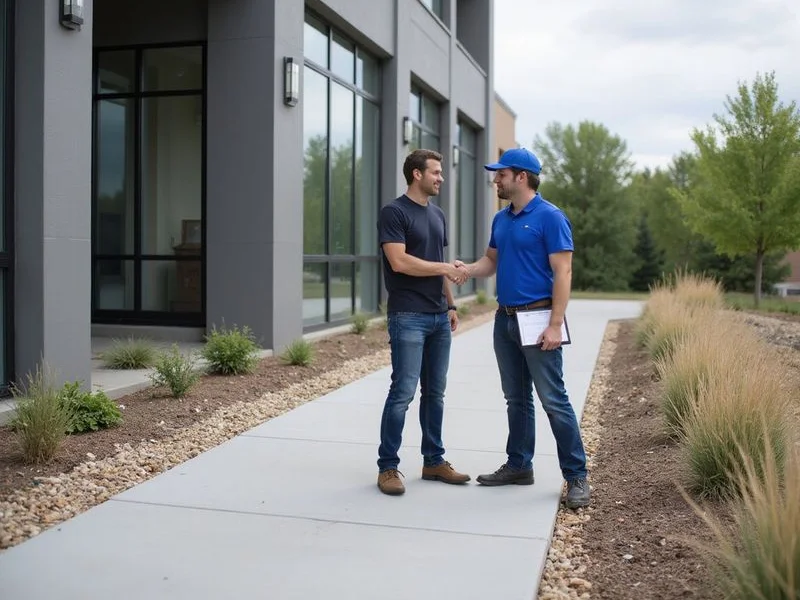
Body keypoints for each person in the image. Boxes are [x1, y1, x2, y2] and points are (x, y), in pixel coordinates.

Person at [456, 147, 591, 509]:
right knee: (516, 399)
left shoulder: (550, 217)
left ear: (521, 177)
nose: (495, 179)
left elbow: (563, 272)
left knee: (553, 400)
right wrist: (467, 270)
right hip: (505, 320)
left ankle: (576, 475)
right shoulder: (502, 219)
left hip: (538, 319)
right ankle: (519, 465)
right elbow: (491, 262)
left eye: (501, 173)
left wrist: (555, 324)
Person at [375, 149, 471, 496]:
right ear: (417, 174)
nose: (440, 178)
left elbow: (437, 260)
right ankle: (387, 467)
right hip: (408, 315)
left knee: (436, 394)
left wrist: (451, 304)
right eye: (435, 172)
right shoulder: (394, 212)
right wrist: (444, 269)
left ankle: (434, 460)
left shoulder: (438, 215)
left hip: (437, 317)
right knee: (402, 392)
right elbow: (399, 262)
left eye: (441, 172)